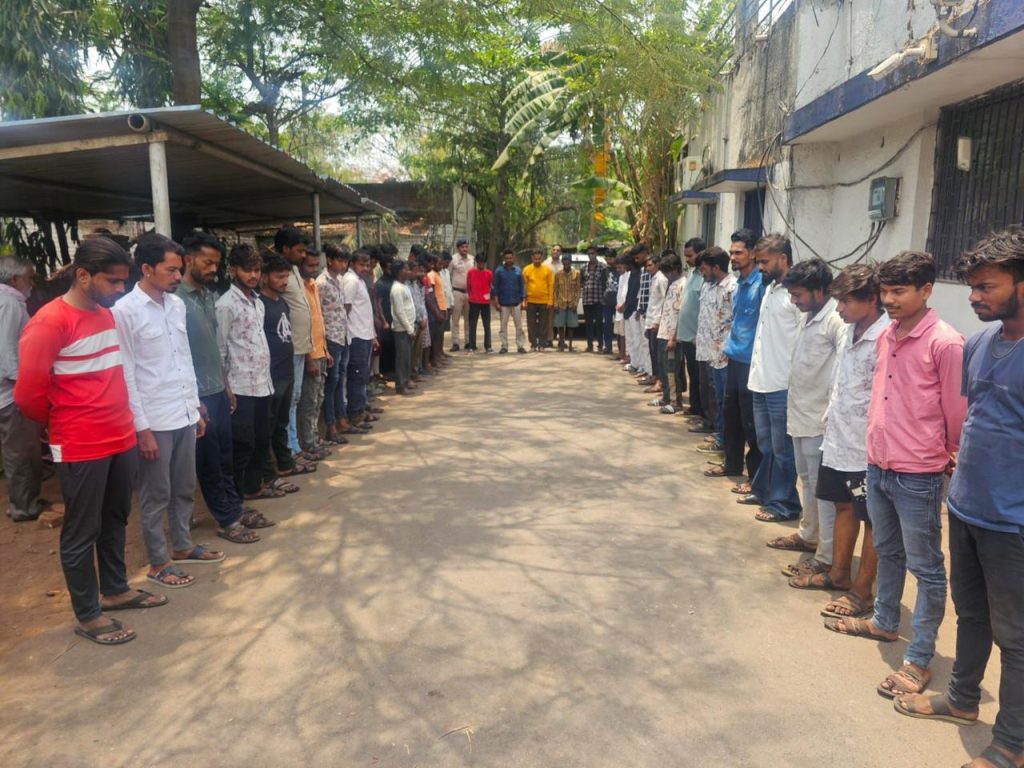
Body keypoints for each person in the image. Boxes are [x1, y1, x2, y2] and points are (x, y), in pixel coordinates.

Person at [893, 230, 1024, 768]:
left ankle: (1011, 744)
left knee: (1016, 637)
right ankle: (963, 700)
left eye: (986, 287)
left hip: (1013, 522)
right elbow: (975, 420)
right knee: (970, 615)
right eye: (972, 287)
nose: (973, 297)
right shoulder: (978, 344)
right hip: (966, 506)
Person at [826, 251, 966, 702]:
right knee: (887, 550)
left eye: (899, 291)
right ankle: (885, 622)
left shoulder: (946, 343)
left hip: (918, 472)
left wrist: (944, 454)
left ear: (926, 290)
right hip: (879, 463)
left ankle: (920, 657)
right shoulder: (887, 335)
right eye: (885, 291)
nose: (889, 300)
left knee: (927, 568)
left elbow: (957, 413)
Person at [16, 237, 161, 646]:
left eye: (123, 281)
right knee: (82, 530)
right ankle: (87, 613)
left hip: (120, 437)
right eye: (112, 281)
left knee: (115, 518)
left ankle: (115, 590)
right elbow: (28, 395)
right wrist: (64, 424)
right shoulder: (50, 322)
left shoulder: (106, 316)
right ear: (83, 276)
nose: (120, 289)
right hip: (80, 443)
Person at [113, 232, 221, 590]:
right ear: (146, 269)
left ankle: (182, 545)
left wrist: (195, 406)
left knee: (185, 485)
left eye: (179, 270)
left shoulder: (176, 306)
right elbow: (127, 373)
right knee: (156, 493)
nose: (178, 276)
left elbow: (183, 358)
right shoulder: (124, 312)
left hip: (183, 412)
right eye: (170, 270)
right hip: (154, 418)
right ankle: (158, 562)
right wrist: (141, 428)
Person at [806, 264, 888, 620]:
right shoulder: (849, 331)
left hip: (867, 448)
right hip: (839, 438)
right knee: (843, 506)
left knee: (872, 519)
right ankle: (839, 573)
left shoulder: (886, 338)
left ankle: (862, 592)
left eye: (846, 301)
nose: (838, 308)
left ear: (871, 300)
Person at [179, 234, 263, 543]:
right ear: (189, 260)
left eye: (216, 263)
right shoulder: (177, 300)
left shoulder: (208, 297)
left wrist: (226, 385)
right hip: (197, 394)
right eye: (207, 262)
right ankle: (226, 518)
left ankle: (234, 507)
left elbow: (216, 348)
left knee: (226, 454)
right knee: (209, 459)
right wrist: (193, 397)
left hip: (217, 388)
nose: (213, 268)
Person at [768, 259, 846, 580]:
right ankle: (809, 534)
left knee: (824, 491)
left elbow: (842, 371)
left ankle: (826, 556)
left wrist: (832, 415)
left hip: (821, 420)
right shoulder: (808, 315)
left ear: (820, 290)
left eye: (798, 294)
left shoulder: (836, 321)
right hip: (800, 414)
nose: (793, 300)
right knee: (806, 480)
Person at [743, 234, 803, 521]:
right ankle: (765, 491)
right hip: (761, 380)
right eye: (758, 262)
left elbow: (803, 340)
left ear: (783, 259)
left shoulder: (796, 295)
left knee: (782, 449)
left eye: (764, 262)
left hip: (782, 384)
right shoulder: (770, 289)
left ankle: (785, 503)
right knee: (765, 444)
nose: (760, 267)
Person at [217, 244, 275, 503]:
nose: (253, 275)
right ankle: (236, 500)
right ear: (233, 270)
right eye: (247, 270)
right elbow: (220, 349)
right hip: (239, 386)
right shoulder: (225, 305)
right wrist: (226, 388)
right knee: (242, 444)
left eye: (257, 270)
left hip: (262, 383)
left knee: (261, 440)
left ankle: (253, 488)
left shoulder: (258, 302)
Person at [708, 229, 764, 485]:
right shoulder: (740, 284)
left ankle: (755, 478)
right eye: (731, 252)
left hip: (752, 363)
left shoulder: (760, 285)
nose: (733, 257)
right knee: (731, 415)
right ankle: (731, 464)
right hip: (734, 358)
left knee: (751, 423)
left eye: (738, 252)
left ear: (752, 254)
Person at [259, 253, 313, 492]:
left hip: (286, 370)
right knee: (267, 426)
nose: (284, 282)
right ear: (264, 277)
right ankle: (267, 473)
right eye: (279, 277)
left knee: (281, 422)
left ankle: (285, 464)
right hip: (270, 375)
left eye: (286, 277)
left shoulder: (282, 303)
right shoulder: (259, 304)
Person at [0, 256, 43, 522]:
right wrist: (23, 385)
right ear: (15, 279)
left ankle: (25, 499)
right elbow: (6, 350)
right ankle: (24, 506)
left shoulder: (7, 301)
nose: (32, 283)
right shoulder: (9, 302)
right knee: (21, 450)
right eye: (29, 277)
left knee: (20, 448)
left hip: (8, 390)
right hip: (11, 393)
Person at [273, 227, 312, 458]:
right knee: (290, 400)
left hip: (302, 344)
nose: (303, 255)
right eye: (299, 250)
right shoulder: (277, 275)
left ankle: (295, 444)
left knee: (296, 397)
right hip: (289, 345)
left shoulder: (295, 270)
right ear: (285, 249)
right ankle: (291, 448)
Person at [694, 247, 736, 455]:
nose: (702, 273)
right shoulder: (710, 286)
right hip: (709, 351)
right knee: (714, 396)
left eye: (704, 269)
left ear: (716, 267)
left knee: (724, 401)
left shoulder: (732, 287)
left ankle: (725, 442)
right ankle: (719, 435)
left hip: (725, 354)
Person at [297, 248, 332, 461]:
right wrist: (309, 357)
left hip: (321, 351)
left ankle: (315, 438)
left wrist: (326, 350)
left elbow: (318, 320)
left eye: (316, 265)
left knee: (318, 399)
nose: (314, 269)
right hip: (310, 354)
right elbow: (302, 327)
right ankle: (308, 443)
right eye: (310, 265)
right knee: (309, 401)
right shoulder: (298, 289)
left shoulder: (313, 286)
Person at [317, 245, 352, 444]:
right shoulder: (321, 283)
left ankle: (341, 419)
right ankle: (330, 425)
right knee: (331, 383)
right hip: (330, 339)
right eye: (340, 260)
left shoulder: (338, 280)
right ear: (330, 260)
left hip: (343, 336)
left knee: (339, 381)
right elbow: (318, 314)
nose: (343, 264)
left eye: (345, 261)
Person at [343, 249, 379, 428]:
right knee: (357, 375)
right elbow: (346, 308)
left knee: (363, 374)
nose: (365, 268)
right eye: (361, 265)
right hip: (355, 335)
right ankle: (355, 414)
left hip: (364, 334)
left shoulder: (360, 280)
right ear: (352, 264)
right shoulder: (350, 281)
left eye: (367, 265)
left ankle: (362, 408)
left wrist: (372, 335)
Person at [677, 238, 706, 418]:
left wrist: (699, 333)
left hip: (697, 336)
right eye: (685, 256)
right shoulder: (692, 273)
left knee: (699, 376)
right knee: (692, 374)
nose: (687, 259)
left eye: (690, 256)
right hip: (686, 334)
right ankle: (695, 406)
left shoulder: (705, 276)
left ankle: (702, 410)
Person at [656, 254, 686, 413]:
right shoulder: (672, 283)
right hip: (663, 333)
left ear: (674, 269)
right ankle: (666, 397)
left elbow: (681, 313)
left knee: (671, 370)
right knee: (663, 367)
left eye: (667, 272)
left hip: (672, 336)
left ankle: (675, 401)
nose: (666, 276)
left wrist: (674, 338)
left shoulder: (683, 285)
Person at [389, 260, 416, 395]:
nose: (409, 271)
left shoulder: (404, 286)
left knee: (407, 356)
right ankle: (400, 384)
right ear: (400, 272)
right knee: (401, 357)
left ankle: (406, 379)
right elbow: (399, 311)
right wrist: (409, 328)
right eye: (406, 269)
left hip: (408, 326)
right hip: (402, 328)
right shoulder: (397, 289)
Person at [492, 248, 526, 354]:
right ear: (504, 259)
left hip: (516, 302)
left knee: (519, 326)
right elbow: (495, 288)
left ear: (513, 258)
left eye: (510, 258)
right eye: (507, 258)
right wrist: (496, 302)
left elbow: (522, 286)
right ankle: (504, 346)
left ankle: (520, 346)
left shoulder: (518, 270)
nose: (509, 260)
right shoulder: (499, 271)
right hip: (503, 303)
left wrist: (523, 301)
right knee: (503, 326)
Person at [644, 252, 669, 392]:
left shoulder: (661, 279)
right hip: (650, 319)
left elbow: (665, 300)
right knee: (653, 352)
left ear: (657, 265)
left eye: (650, 265)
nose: (647, 268)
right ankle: (655, 378)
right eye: (646, 266)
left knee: (658, 354)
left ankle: (660, 382)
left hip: (657, 322)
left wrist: (658, 321)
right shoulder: (653, 279)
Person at [523, 248, 554, 351]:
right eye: (535, 259)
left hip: (544, 301)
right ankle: (533, 344)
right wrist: (524, 301)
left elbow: (551, 286)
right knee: (531, 324)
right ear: (532, 258)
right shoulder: (526, 269)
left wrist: (550, 301)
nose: (537, 261)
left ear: (542, 258)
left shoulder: (547, 270)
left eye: (539, 259)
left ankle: (542, 344)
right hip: (530, 301)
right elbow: (524, 286)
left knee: (543, 324)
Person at [580, 244, 608, 353]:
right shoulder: (583, 268)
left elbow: (605, 283)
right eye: (589, 254)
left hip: (599, 300)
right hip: (587, 300)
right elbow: (581, 282)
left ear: (596, 254)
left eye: (592, 253)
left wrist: (605, 297)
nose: (591, 255)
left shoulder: (603, 267)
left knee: (599, 324)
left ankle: (600, 345)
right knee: (588, 324)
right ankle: (589, 346)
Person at [466, 252, 494, 353]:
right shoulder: (470, 272)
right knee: (472, 324)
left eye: (483, 263)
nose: (481, 265)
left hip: (485, 302)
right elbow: (468, 287)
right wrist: (472, 296)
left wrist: (489, 297)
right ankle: (472, 345)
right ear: (476, 262)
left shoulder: (489, 273)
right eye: (480, 263)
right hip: (474, 301)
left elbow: (490, 286)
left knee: (487, 325)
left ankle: (488, 346)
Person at [553, 253, 581, 352]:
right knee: (560, 325)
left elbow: (578, 290)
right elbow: (555, 290)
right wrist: (555, 303)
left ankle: (570, 346)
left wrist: (575, 303)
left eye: (568, 261)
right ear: (562, 262)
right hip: (561, 303)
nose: (566, 263)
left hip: (572, 303)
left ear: (570, 262)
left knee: (571, 326)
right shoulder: (558, 274)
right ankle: (561, 345)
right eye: (564, 261)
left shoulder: (576, 273)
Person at [448, 239, 472, 351]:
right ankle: (455, 343)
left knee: (468, 319)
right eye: (462, 247)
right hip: (457, 292)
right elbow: (447, 275)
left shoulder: (472, 259)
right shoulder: (453, 260)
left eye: (466, 247)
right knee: (455, 318)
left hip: (469, 293)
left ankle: (468, 342)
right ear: (458, 248)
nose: (465, 249)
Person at [601, 250, 619, 355]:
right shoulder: (604, 270)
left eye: (611, 258)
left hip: (618, 303)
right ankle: (607, 347)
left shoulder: (620, 269)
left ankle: (621, 348)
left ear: (615, 257)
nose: (609, 260)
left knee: (619, 326)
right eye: (607, 258)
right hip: (607, 302)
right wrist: (603, 298)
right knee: (607, 325)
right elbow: (603, 285)